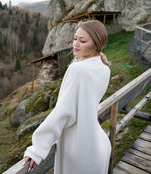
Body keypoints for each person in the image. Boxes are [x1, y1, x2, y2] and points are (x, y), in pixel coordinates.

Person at [24, 19, 111, 173]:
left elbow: (64, 112)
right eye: (75, 38)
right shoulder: (104, 67)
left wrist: (37, 149)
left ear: (96, 44)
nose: (75, 44)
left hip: (79, 152)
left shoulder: (78, 69)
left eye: (82, 41)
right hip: (98, 146)